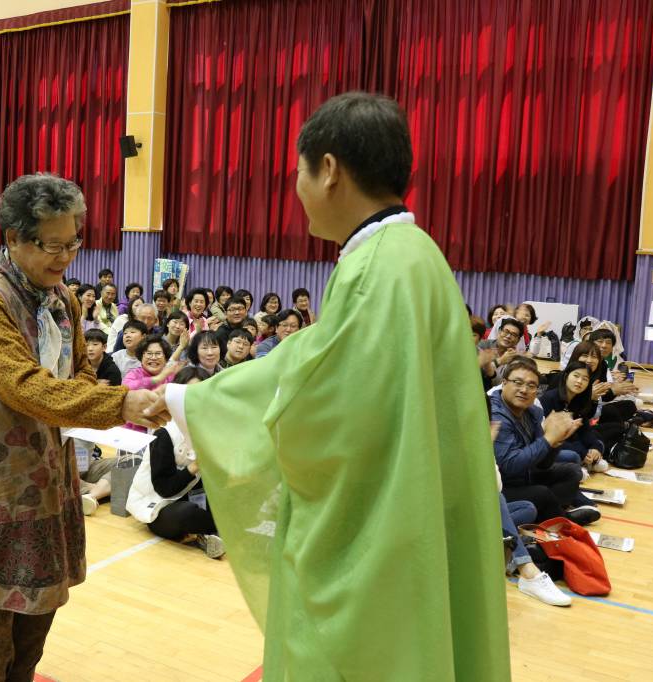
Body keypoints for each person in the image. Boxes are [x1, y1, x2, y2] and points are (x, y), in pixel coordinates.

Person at [145, 93, 509, 679]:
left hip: (378, 530)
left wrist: (192, 397)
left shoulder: (373, 271)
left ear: (330, 169)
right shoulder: (415, 256)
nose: (298, 188)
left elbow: (315, 387)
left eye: (299, 172)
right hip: (414, 501)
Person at [0, 173, 167, 682]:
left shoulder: (63, 300)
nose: (64, 257)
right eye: (51, 245)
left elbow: (79, 371)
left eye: (73, 242)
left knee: (33, 629)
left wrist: (112, 398)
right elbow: (25, 387)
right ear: (12, 238)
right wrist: (121, 403)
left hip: (43, 484)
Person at [127, 366, 225, 558]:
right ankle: (213, 530)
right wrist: (196, 466)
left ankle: (205, 535)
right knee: (186, 513)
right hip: (162, 505)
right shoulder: (165, 432)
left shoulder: (211, 428)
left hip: (194, 497)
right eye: (189, 394)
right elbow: (164, 488)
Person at [491, 358, 600, 526]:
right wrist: (548, 439)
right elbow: (509, 465)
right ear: (504, 383)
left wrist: (556, 442)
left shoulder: (532, 412)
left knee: (571, 471)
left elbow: (543, 464)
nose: (524, 390)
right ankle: (562, 519)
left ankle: (549, 511)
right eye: (518, 383)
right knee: (541, 493)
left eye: (531, 385)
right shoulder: (497, 416)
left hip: (524, 476)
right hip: (500, 487)